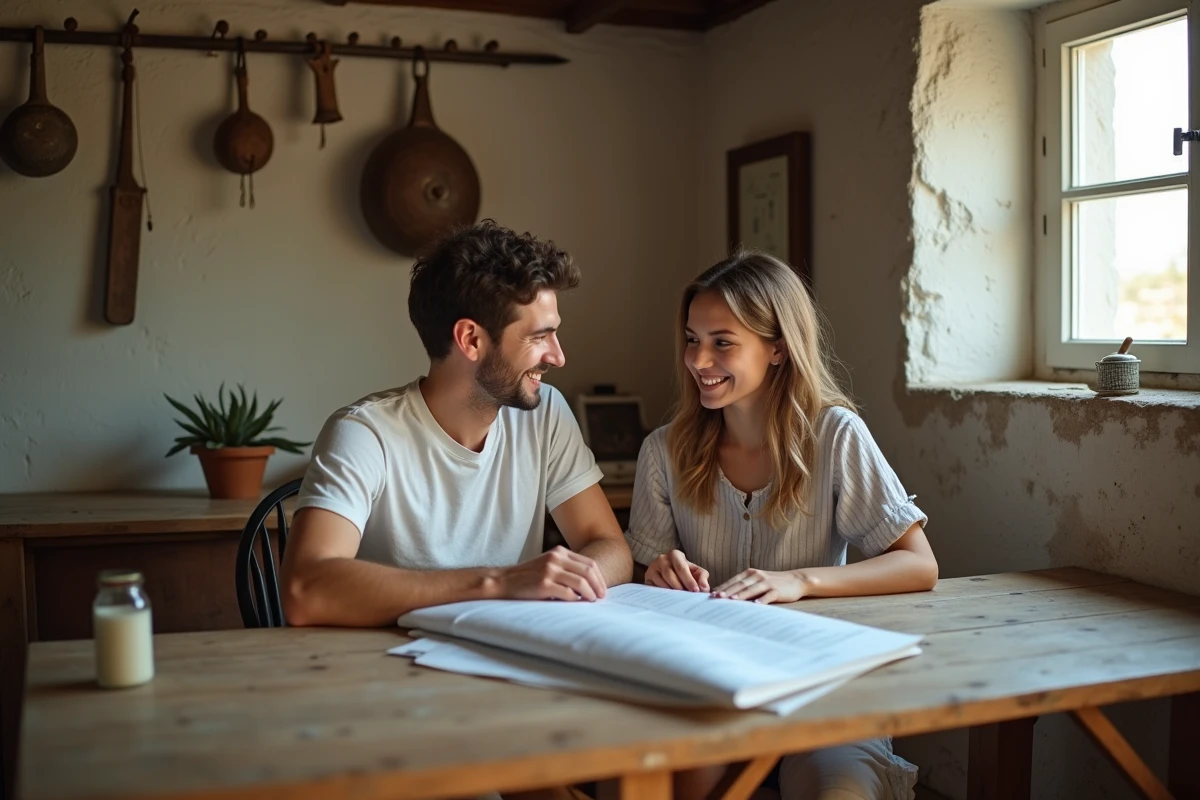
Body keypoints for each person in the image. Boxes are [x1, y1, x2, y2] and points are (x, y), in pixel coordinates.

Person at [625, 250, 938, 800]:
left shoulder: (835, 434)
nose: (699, 359)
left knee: (838, 792)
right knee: (682, 787)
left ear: (778, 348)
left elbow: (919, 565)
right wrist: (652, 573)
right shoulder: (663, 450)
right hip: (709, 691)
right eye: (693, 339)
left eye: (723, 342)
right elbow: (632, 585)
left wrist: (801, 581)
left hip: (821, 687)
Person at [281, 221, 633, 629]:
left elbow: (611, 548)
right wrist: (500, 583)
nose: (558, 356)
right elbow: (304, 591)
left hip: (505, 651)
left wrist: (563, 582)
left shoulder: (545, 413)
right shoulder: (364, 433)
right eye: (540, 336)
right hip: (387, 659)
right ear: (470, 339)